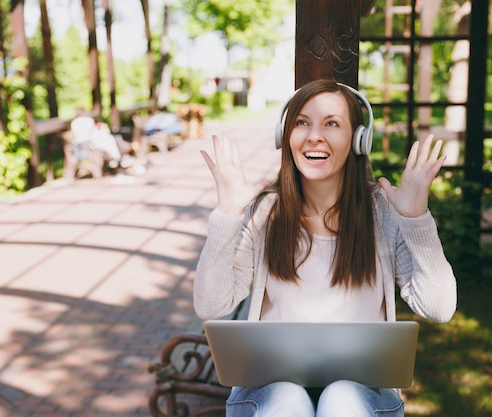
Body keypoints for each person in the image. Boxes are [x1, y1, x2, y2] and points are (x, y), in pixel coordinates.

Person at [194, 79, 457, 417]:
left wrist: (416, 218)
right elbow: (210, 305)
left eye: (331, 123)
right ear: (285, 136)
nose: (314, 135)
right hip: (270, 394)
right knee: (288, 400)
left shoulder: (383, 214)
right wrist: (227, 215)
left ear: (359, 140)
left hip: (363, 397)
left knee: (342, 398)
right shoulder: (265, 213)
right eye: (302, 123)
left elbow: (440, 307)